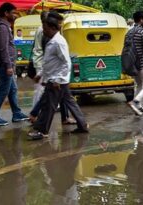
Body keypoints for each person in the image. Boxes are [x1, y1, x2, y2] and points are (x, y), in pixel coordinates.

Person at [28, 12, 88, 140]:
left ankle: (42, 130)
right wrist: (41, 75)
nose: (43, 31)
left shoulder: (58, 42)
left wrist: (58, 79)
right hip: (55, 79)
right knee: (70, 103)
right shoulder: (52, 40)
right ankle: (83, 125)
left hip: (57, 81)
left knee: (48, 106)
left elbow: (66, 63)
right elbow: (49, 62)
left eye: (45, 29)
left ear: (53, 28)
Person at [29, 11, 76, 125]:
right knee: (49, 96)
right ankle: (38, 118)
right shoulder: (46, 33)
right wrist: (42, 72)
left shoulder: (53, 34)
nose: (60, 25)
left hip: (53, 70)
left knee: (56, 95)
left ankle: (37, 115)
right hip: (51, 69)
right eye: (58, 22)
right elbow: (48, 54)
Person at [0, 3, 29, 126]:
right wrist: (8, 66)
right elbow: (3, 48)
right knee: (3, 90)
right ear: (6, 13)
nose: (15, 15)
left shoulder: (5, 26)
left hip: (7, 64)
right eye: (13, 13)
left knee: (13, 89)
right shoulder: (2, 27)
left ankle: (16, 113)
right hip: (4, 65)